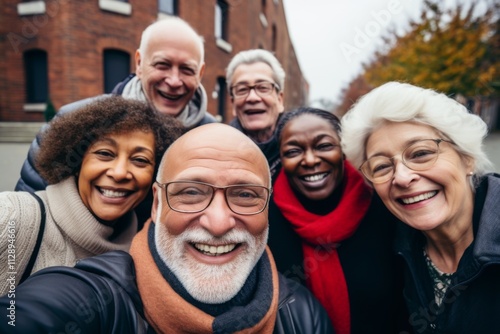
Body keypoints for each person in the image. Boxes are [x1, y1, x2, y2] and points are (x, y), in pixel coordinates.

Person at [0, 123, 333, 334]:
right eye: (190, 192)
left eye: (245, 194)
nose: (218, 223)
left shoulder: (301, 315)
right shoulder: (96, 297)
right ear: (157, 204)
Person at [341, 81, 499, 333]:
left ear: (467, 158)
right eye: (381, 166)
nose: (402, 178)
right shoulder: (388, 249)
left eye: (421, 153)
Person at [0, 96, 183, 296]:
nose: (120, 172)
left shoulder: (147, 249)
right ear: (77, 163)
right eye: (105, 153)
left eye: (140, 160)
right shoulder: (12, 215)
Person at [16, 16, 216, 194]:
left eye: (187, 69)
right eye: (162, 65)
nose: (174, 81)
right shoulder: (76, 122)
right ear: (139, 64)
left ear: (200, 73)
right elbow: (30, 207)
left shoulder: (214, 137)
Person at [268, 107, 409, 334]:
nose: (311, 160)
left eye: (324, 146)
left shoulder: (386, 206)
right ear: (281, 158)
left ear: (343, 150)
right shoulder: (263, 221)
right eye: (293, 151)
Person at [226, 49, 285, 182]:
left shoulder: (302, 153)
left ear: (280, 100)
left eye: (263, 87)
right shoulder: (217, 153)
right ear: (233, 104)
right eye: (242, 89)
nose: (252, 98)